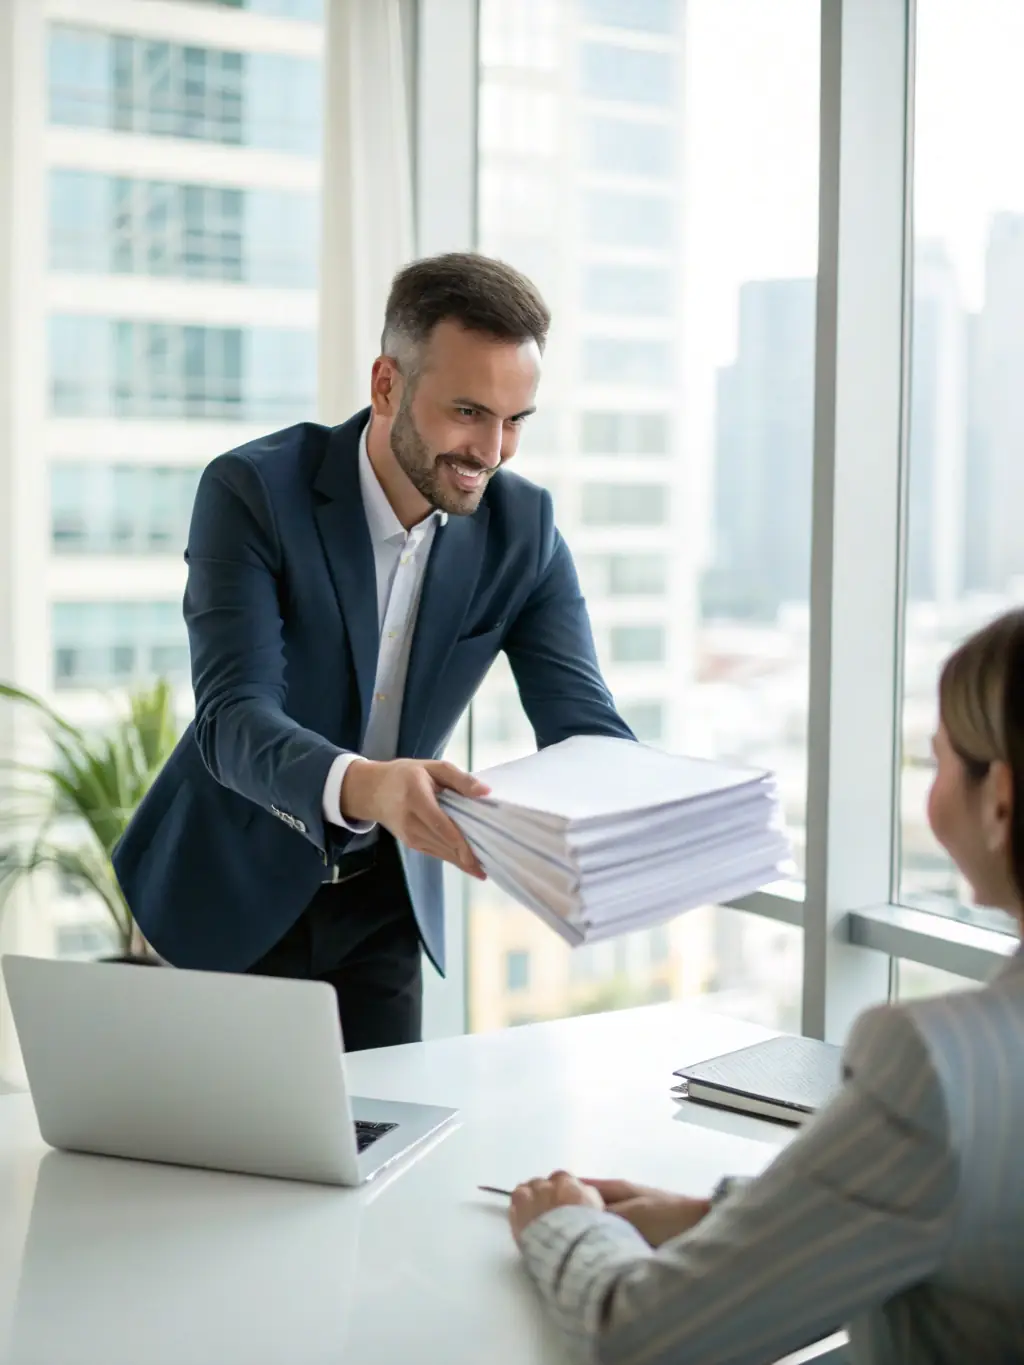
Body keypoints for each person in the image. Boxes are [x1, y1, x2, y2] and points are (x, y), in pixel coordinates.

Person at [113, 252, 633, 1051]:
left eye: (516, 419)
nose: (492, 451)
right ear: (387, 384)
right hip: (227, 891)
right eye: (467, 411)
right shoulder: (253, 492)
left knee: (382, 1159)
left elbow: (585, 727)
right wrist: (369, 786)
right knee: (223, 1171)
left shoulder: (522, 530)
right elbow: (231, 719)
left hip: (384, 906)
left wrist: (662, 815)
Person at [510, 607, 1024, 1365]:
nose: (932, 789)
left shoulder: (941, 1063)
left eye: (937, 760)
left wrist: (567, 1225)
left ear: (1001, 801)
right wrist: (713, 1218)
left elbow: (646, 1336)